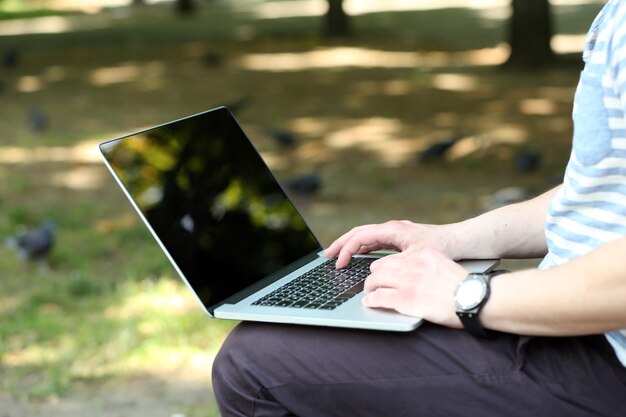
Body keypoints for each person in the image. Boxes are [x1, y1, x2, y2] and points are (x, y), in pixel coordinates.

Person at [212, 1, 626, 415]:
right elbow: (596, 196)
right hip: (583, 324)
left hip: (605, 360)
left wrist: (468, 294)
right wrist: (453, 238)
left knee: (252, 364)